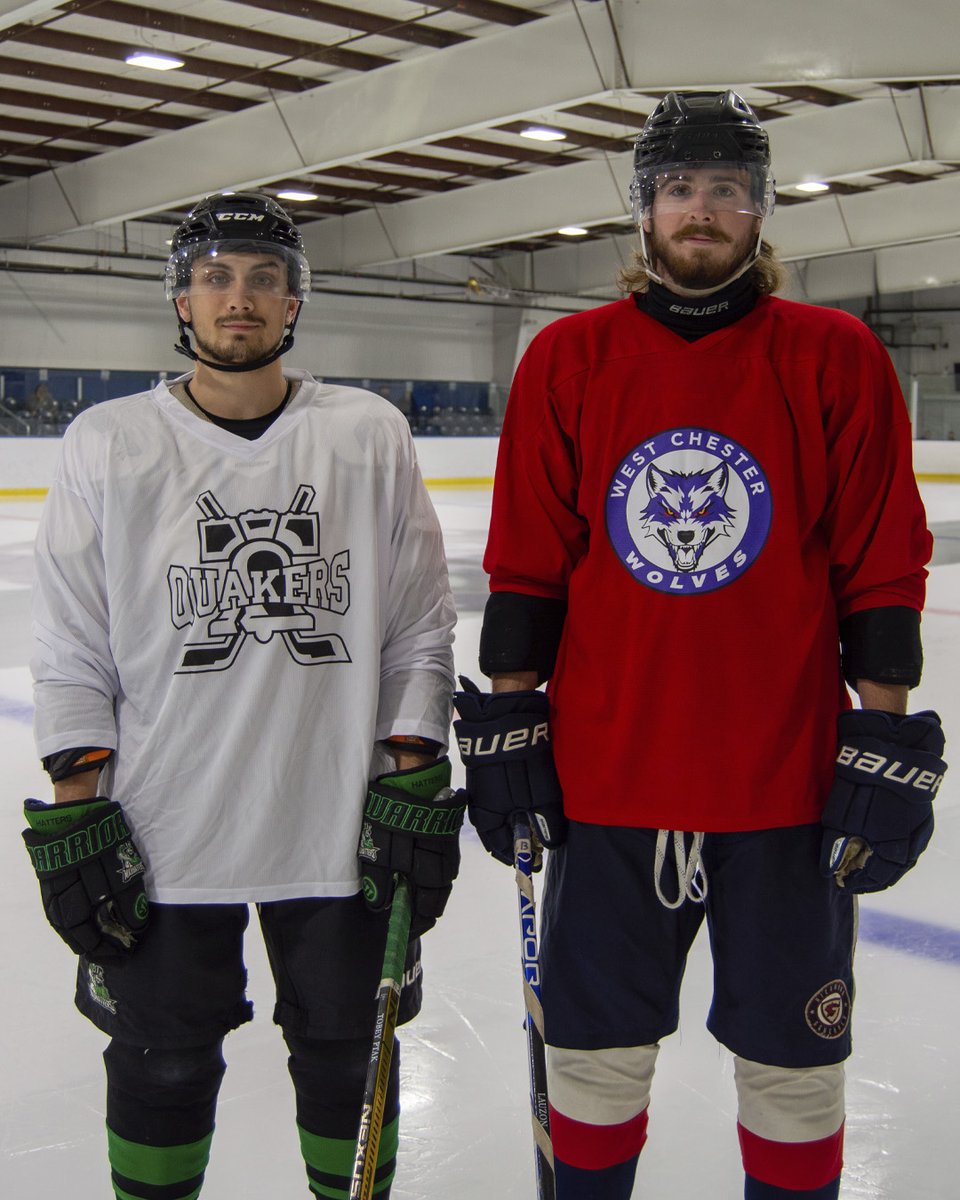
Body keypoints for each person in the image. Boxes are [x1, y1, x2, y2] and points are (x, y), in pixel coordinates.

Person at [453, 92, 947, 1200]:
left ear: (760, 210)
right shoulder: (569, 358)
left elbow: (879, 562)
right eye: (679, 188)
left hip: (787, 787)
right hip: (608, 782)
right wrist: (511, 718)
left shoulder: (834, 354)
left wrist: (881, 731)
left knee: (795, 1076)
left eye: (728, 189)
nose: (702, 210)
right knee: (591, 1068)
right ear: (644, 211)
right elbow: (529, 562)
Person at [23, 191, 463, 1200]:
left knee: (351, 1056)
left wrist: (411, 772)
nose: (240, 300)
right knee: (161, 1065)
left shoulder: (365, 431)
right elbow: (72, 640)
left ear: (294, 301)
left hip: (339, 823)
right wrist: (77, 804)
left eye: (265, 280)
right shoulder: (107, 440)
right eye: (215, 278)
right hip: (165, 825)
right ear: (181, 299)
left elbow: (417, 621)